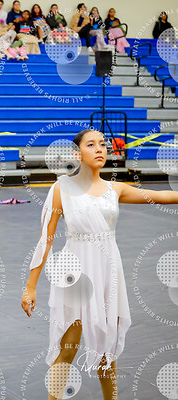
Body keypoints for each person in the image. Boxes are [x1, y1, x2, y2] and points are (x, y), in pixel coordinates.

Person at [21, 129, 178, 399]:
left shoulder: (114, 189)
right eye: (91, 144)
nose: (99, 149)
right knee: (68, 347)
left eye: (103, 144)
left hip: (108, 272)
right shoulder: (61, 189)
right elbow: (45, 239)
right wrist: (30, 287)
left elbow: (159, 196)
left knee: (107, 349)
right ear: (76, 153)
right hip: (74, 274)